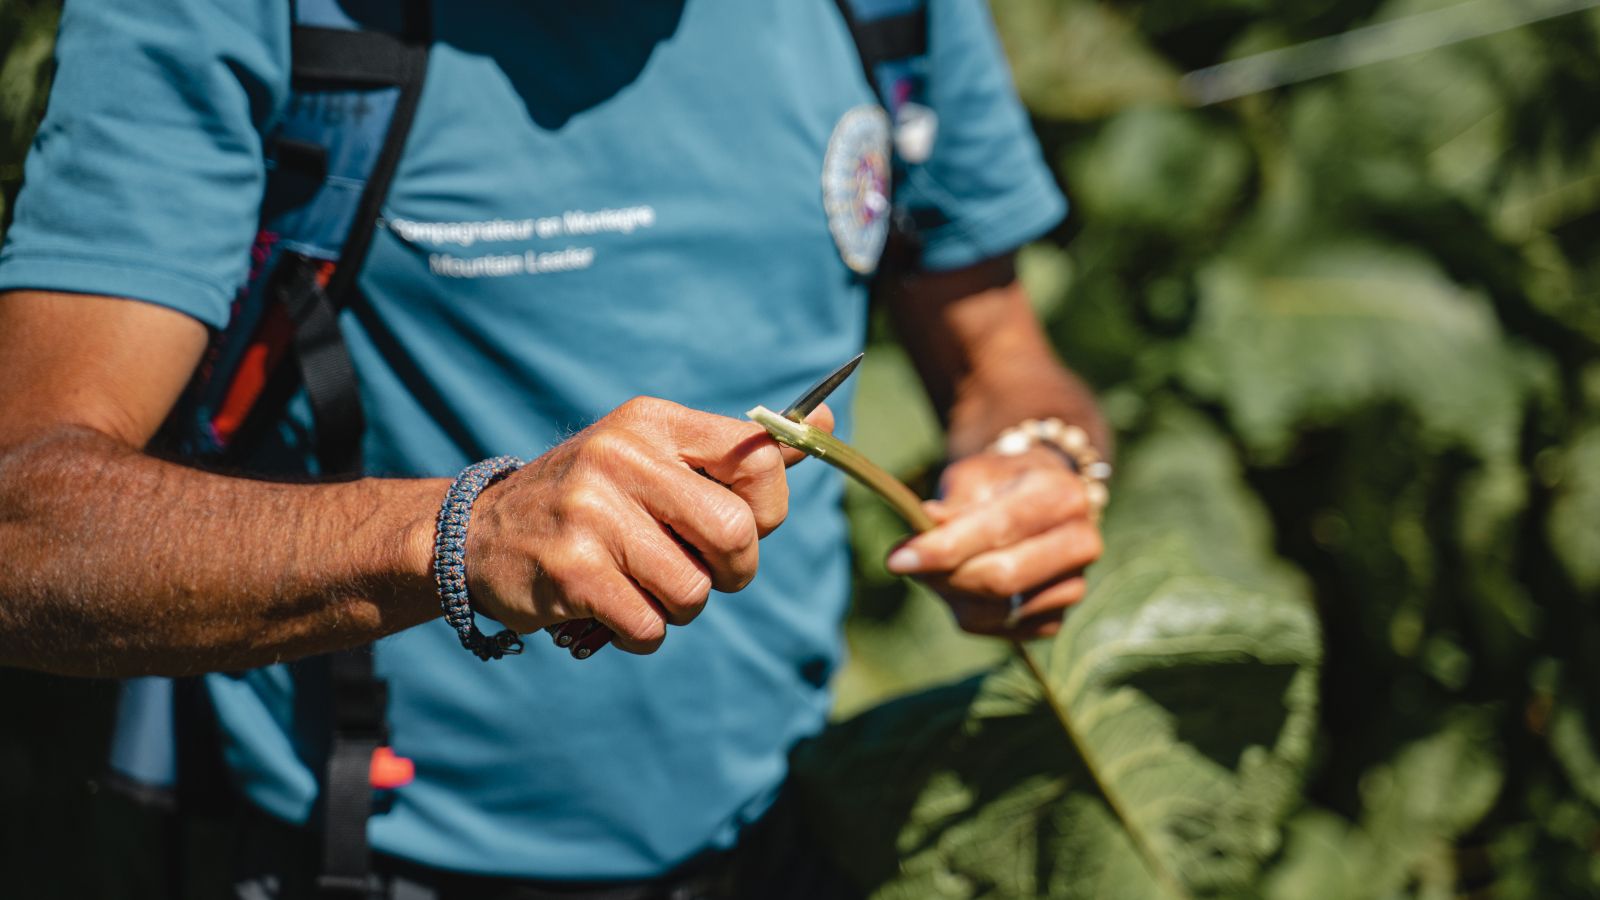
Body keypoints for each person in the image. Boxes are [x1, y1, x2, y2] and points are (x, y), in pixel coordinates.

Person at [0, 0, 1107, 896]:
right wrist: (464, 531)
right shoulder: (233, 14)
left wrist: (1036, 456)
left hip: (787, 834)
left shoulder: (889, 11)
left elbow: (1001, 354)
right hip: (357, 851)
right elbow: (20, 521)